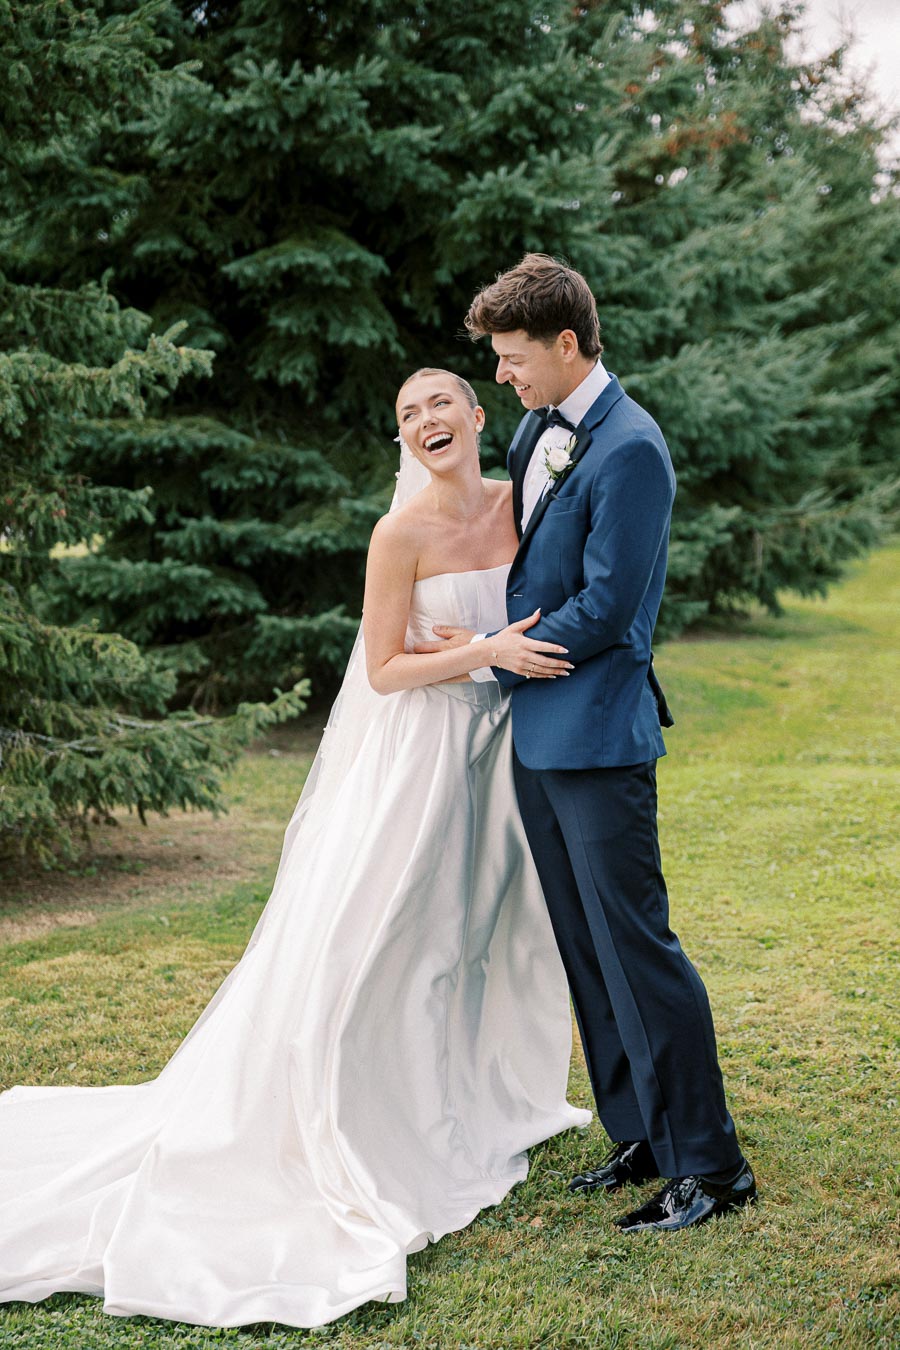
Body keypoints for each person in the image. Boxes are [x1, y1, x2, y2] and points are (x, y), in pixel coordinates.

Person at [0, 368, 589, 1330]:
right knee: (386, 935)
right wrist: (480, 651)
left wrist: (501, 648)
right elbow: (388, 669)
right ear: (402, 442)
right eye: (405, 414)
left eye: (438, 403)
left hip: (497, 755)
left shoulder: (520, 502)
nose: (424, 420)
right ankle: (362, 1118)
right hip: (419, 757)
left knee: (474, 934)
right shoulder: (397, 535)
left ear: (479, 416)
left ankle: (464, 1097)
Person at [417, 255, 756, 1232]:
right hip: (538, 738)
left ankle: (711, 1164)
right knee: (584, 947)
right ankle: (641, 1133)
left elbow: (609, 605)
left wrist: (485, 659)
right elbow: (525, 563)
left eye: (515, 358)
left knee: (639, 948)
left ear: (568, 345)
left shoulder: (632, 449)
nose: (503, 378)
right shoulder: (535, 431)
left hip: (601, 735)